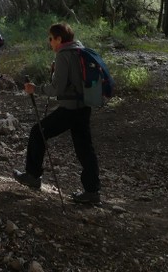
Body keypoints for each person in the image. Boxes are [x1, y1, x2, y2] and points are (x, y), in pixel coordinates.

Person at [12, 22, 101, 204]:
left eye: (51, 38)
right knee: (85, 149)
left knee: (38, 132)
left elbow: (57, 88)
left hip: (69, 109)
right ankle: (92, 192)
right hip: (84, 106)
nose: (50, 42)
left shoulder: (63, 55)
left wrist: (35, 89)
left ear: (59, 39)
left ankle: (33, 176)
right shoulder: (79, 50)